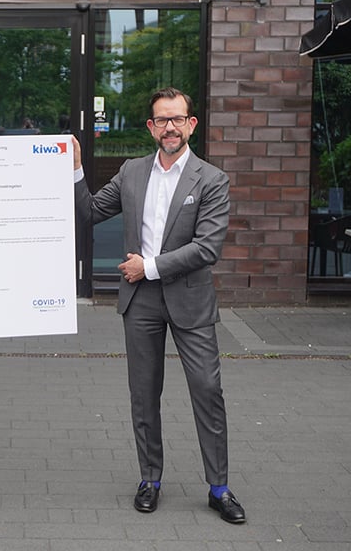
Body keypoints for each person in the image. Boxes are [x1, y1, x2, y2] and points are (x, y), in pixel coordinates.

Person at [72, 87, 245, 524]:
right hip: (141, 303)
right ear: (151, 127)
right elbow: (89, 212)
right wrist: (74, 168)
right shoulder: (131, 172)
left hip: (189, 299)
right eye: (162, 120)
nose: (170, 127)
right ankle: (150, 479)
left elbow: (206, 248)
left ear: (191, 124)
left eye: (178, 119)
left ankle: (219, 488)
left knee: (207, 390)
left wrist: (147, 267)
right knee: (144, 394)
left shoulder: (211, 180)